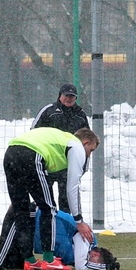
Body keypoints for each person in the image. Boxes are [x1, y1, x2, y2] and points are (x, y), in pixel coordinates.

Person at [0, 127, 99, 270]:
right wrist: (79, 221)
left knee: (22, 211)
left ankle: (30, 260)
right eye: (91, 150)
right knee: (49, 208)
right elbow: (72, 187)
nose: (88, 156)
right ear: (85, 142)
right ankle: (49, 260)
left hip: (11, 153)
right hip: (31, 155)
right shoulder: (77, 147)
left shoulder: (62, 141)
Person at [0, 205, 119, 270]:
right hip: (24, 217)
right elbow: (82, 266)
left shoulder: (76, 252)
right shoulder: (85, 242)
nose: (93, 263)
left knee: (13, 264)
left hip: (28, 228)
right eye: (98, 263)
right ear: (96, 255)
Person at [31, 83, 90, 212]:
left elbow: (87, 140)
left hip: (69, 164)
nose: (69, 99)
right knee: (43, 198)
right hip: (48, 162)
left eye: (72, 96)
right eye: (66, 95)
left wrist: (83, 165)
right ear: (60, 96)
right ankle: (42, 223)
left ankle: (66, 225)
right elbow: (33, 133)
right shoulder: (48, 111)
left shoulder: (81, 115)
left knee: (67, 199)